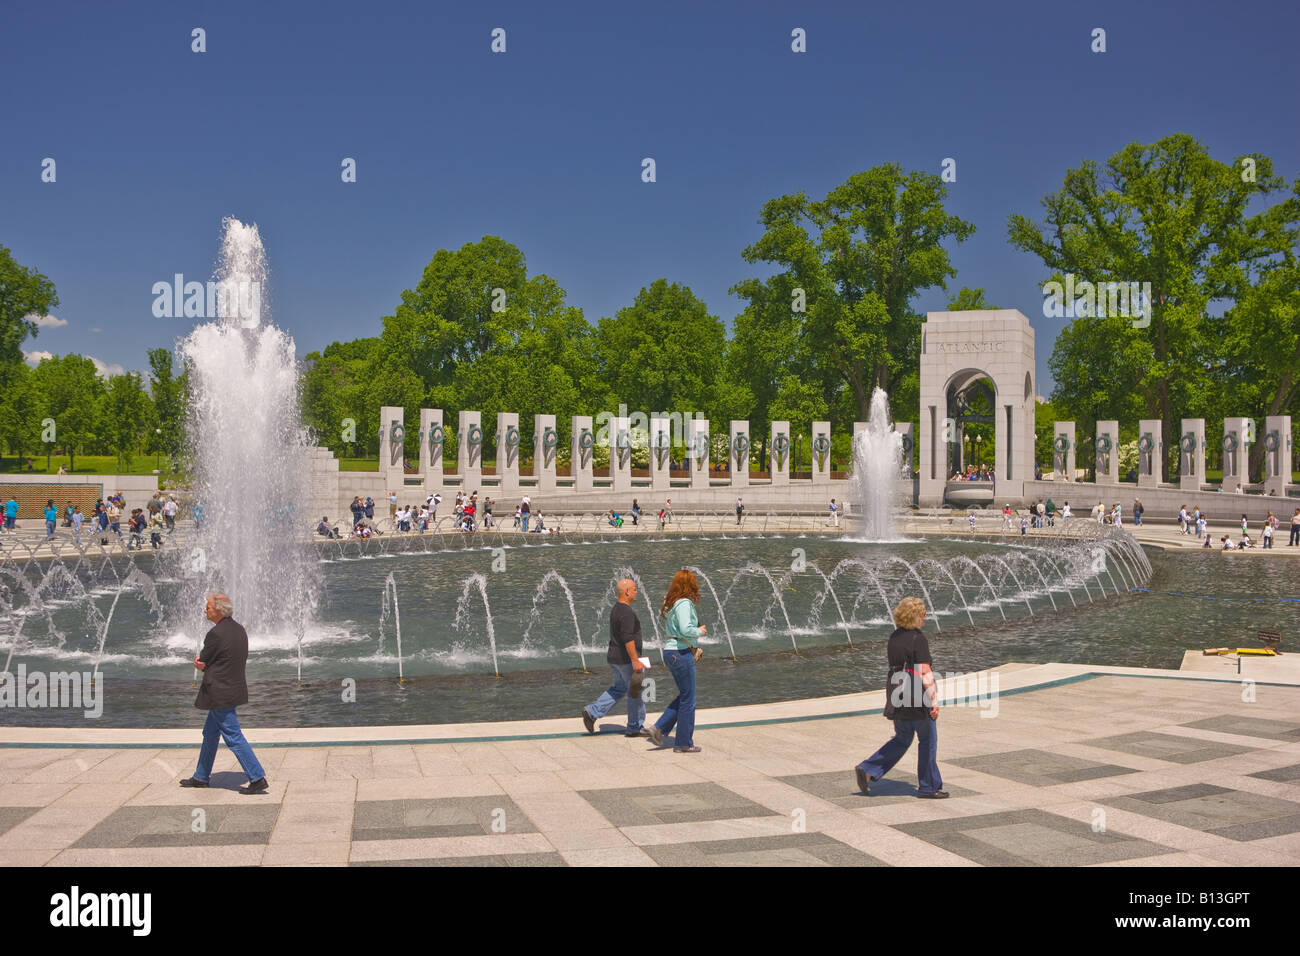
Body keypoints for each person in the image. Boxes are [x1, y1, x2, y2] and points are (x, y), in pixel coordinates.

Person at [855, 596, 946, 798]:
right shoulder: (918, 638)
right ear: (915, 616)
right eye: (923, 614)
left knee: (903, 737)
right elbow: (924, 672)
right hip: (916, 693)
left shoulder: (894, 637)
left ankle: (868, 769)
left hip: (896, 691)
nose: (925, 617)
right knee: (927, 740)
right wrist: (933, 701)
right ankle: (928, 786)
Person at [180, 593, 269, 795]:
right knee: (210, 733)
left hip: (219, 692)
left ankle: (257, 777)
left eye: (208, 607)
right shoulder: (239, 630)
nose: (205, 610)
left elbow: (203, 662)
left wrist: (198, 665)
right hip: (233, 688)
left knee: (233, 735)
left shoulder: (215, 634)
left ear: (218, 610)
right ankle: (201, 777)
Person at [581, 578, 649, 738]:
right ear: (626, 592)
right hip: (626, 660)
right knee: (635, 691)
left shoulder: (616, 609)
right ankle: (635, 726)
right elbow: (627, 638)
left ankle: (592, 712)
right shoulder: (626, 612)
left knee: (619, 688)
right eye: (634, 589)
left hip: (614, 658)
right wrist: (635, 660)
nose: (636, 591)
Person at [649, 569, 706, 753]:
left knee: (685, 694)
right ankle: (682, 743)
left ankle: (660, 728)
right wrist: (699, 632)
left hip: (672, 651)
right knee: (689, 698)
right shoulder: (684, 603)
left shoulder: (673, 602)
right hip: (680, 653)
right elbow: (685, 628)